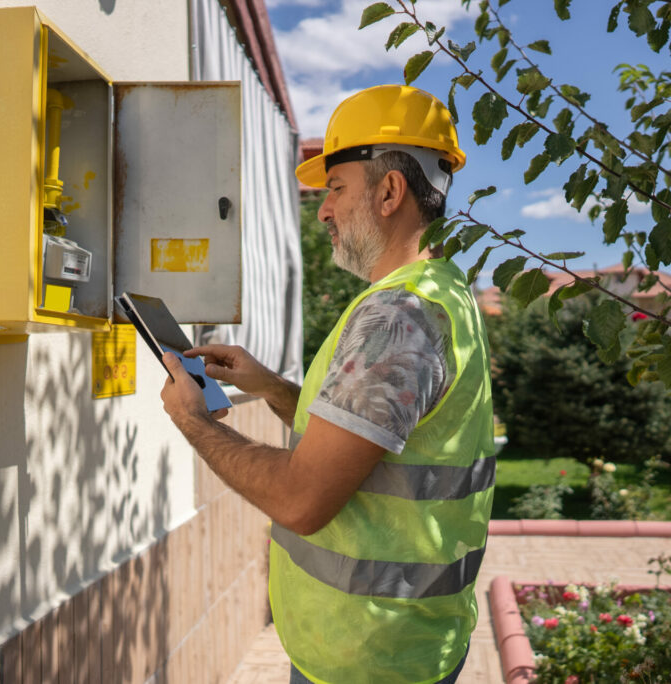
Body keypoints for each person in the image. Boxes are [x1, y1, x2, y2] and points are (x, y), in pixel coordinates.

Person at [160, 84, 495, 684]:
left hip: (368, 658)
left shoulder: (397, 318)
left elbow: (301, 500)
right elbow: (368, 443)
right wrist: (270, 386)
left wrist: (192, 421)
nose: (322, 210)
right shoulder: (439, 292)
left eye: (336, 187)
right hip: (391, 645)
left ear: (389, 191)